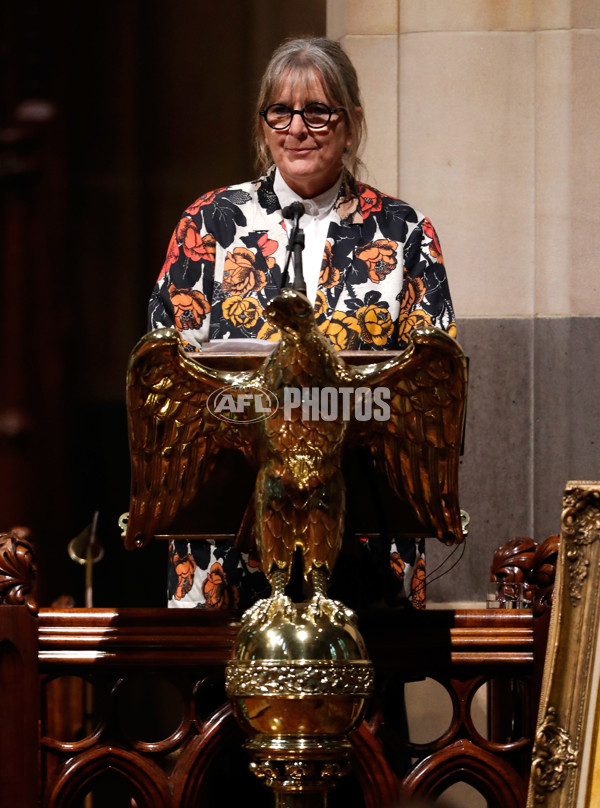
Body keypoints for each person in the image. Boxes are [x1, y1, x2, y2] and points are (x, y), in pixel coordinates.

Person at [149, 37, 456, 609]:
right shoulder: (211, 222)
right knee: (218, 693)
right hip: (227, 536)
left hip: (364, 533)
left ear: (351, 124)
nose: (298, 129)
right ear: (263, 124)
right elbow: (169, 372)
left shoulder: (402, 231)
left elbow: (432, 384)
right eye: (280, 112)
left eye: (318, 111)